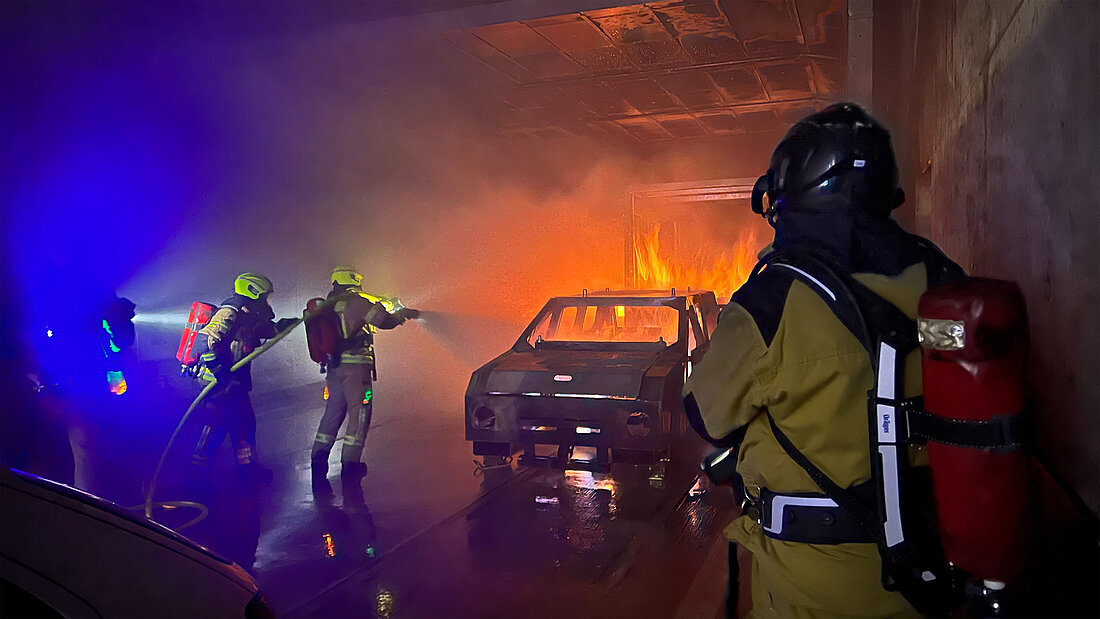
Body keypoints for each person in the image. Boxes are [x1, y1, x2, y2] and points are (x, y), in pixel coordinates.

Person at [683, 103, 964, 618]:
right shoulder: (941, 276)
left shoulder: (772, 302)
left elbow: (705, 414)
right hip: (929, 579)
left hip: (811, 589)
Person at [310, 266, 416, 483]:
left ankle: (318, 463)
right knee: (359, 414)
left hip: (334, 369)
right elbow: (383, 321)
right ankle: (350, 465)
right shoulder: (356, 302)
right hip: (356, 370)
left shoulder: (328, 306)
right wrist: (400, 315)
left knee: (332, 415)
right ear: (354, 280)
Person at [191, 273, 295, 486]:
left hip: (234, 384)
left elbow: (263, 330)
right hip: (218, 385)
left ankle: (246, 472)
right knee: (219, 426)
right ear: (253, 293)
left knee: (244, 425)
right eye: (264, 297)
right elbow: (204, 342)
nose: (267, 301)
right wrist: (222, 376)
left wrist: (285, 325)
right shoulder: (230, 312)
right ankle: (198, 479)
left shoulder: (248, 316)